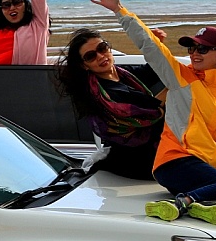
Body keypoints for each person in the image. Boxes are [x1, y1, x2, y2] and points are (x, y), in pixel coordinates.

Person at [89, 0, 216, 224]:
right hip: (174, 163)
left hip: (204, 171)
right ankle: (181, 202)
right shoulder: (183, 78)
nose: (194, 53)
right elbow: (151, 47)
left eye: (202, 49)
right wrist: (120, 10)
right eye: (192, 48)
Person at [55, 29, 167, 180]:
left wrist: (155, 45)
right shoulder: (105, 95)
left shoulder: (122, 74)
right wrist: (180, 85)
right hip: (140, 163)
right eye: (91, 56)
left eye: (102, 48)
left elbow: (152, 71)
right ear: (84, 65)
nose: (100, 56)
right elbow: (154, 108)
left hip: (159, 151)